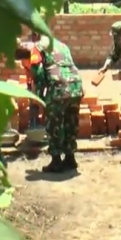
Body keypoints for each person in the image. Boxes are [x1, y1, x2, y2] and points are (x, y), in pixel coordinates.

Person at [21, 34, 84, 173]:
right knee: (70, 122)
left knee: (54, 124)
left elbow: (38, 76)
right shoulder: (62, 45)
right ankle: (70, 157)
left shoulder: (37, 48)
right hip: (76, 86)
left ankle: (56, 161)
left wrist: (37, 99)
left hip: (59, 87)